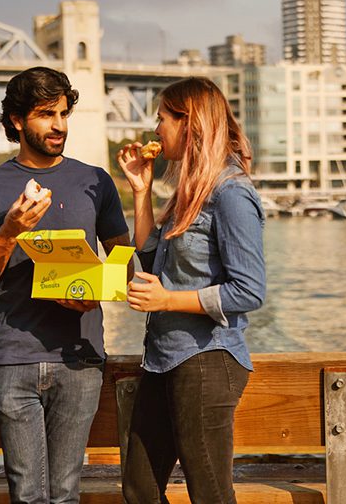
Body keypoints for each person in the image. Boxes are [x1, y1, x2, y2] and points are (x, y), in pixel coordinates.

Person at [0, 66, 131, 504]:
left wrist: (89, 292)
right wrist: (9, 231)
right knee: (28, 496)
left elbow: (124, 268)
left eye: (63, 113)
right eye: (45, 114)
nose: (59, 126)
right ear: (17, 120)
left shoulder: (95, 181)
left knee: (67, 494)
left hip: (81, 361)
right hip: (15, 359)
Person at [116, 77, 266, 503]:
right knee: (140, 489)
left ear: (190, 123)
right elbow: (149, 258)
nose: (156, 129)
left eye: (162, 118)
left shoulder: (232, 194)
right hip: (162, 359)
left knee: (211, 494)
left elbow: (249, 290)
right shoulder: (190, 193)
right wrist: (141, 191)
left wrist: (167, 300)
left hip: (207, 360)